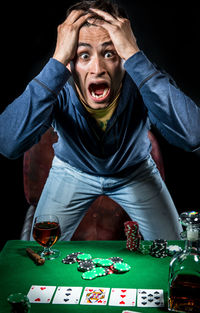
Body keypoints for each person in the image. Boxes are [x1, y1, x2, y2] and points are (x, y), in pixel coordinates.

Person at [0, 0, 200, 240]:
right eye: (84, 55)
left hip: (135, 171)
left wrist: (135, 56)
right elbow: (7, 142)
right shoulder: (60, 84)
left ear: (124, 59)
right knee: (42, 253)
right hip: (71, 171)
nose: (97, 69)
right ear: (71, 61)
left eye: (110, 53)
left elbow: (193, 135)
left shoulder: (140, 78)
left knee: (172, 249)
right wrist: (57, 60)